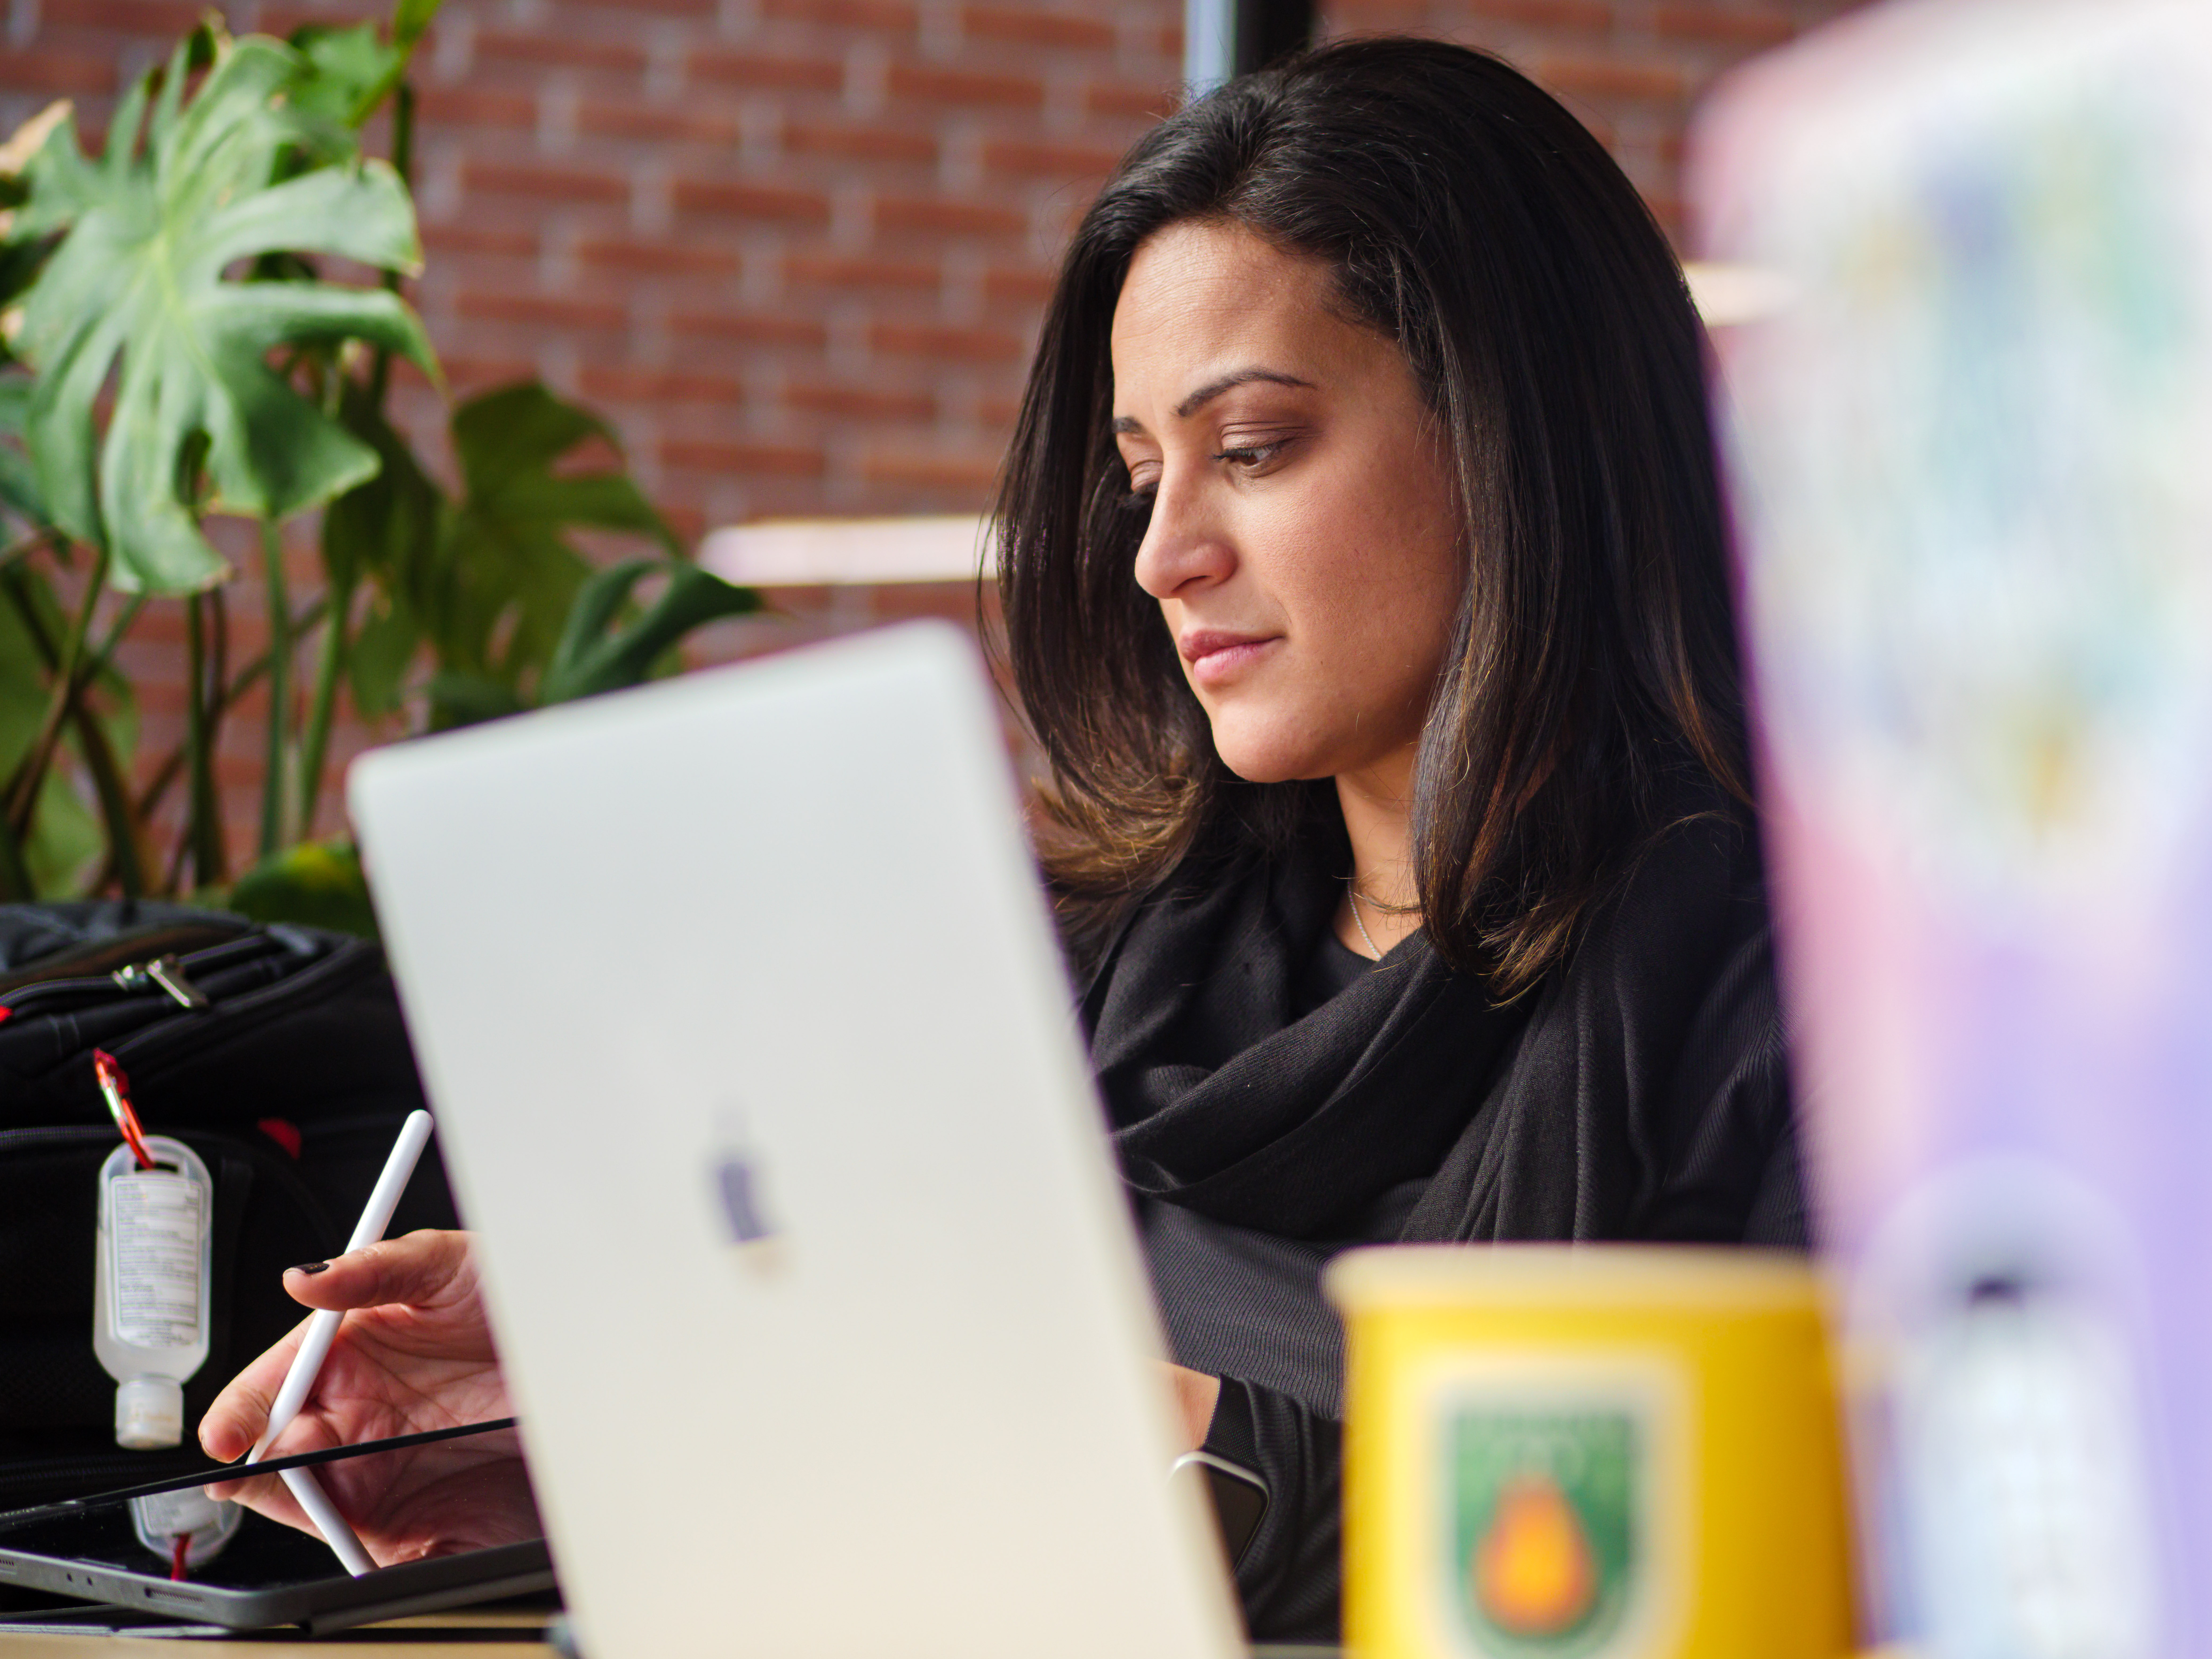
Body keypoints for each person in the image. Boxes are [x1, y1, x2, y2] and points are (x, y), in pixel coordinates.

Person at [202, 38, 1802, 1641]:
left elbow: (1784, 1566)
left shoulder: (1793, 1012)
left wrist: (1160, 1447)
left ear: (1523, 432)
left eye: (1249, 449)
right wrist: (609, 1411)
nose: (1165, 553)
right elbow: (916, 1486)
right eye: (1137, 474)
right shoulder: (1075, 977)